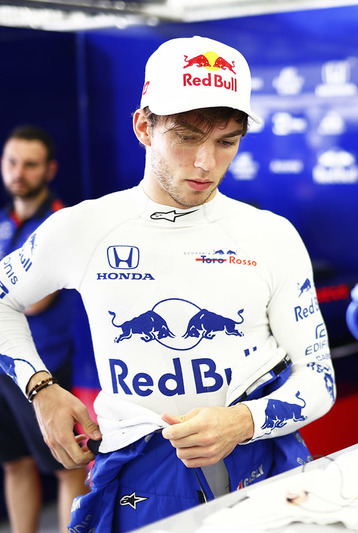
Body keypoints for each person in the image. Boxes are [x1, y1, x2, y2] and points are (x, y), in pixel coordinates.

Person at [0, 35, 336, 532]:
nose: (207, 163)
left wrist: (243, 422)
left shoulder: (272, 235)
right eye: (186, 136)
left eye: (227, 141)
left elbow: (320, 380)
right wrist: (41, 388)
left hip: (265, 469)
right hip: (141, 479)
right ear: (143, 126)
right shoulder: (81, 227)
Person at [0, 125, 89, 532]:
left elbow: (33, 300)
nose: (19, 173)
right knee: (14, 464)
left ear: (49, 169)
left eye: (30, 164)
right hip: (5, 367)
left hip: (46, 368)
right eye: (12, 162)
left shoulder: (59, 224)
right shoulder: (5, 221)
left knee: (65, 465)